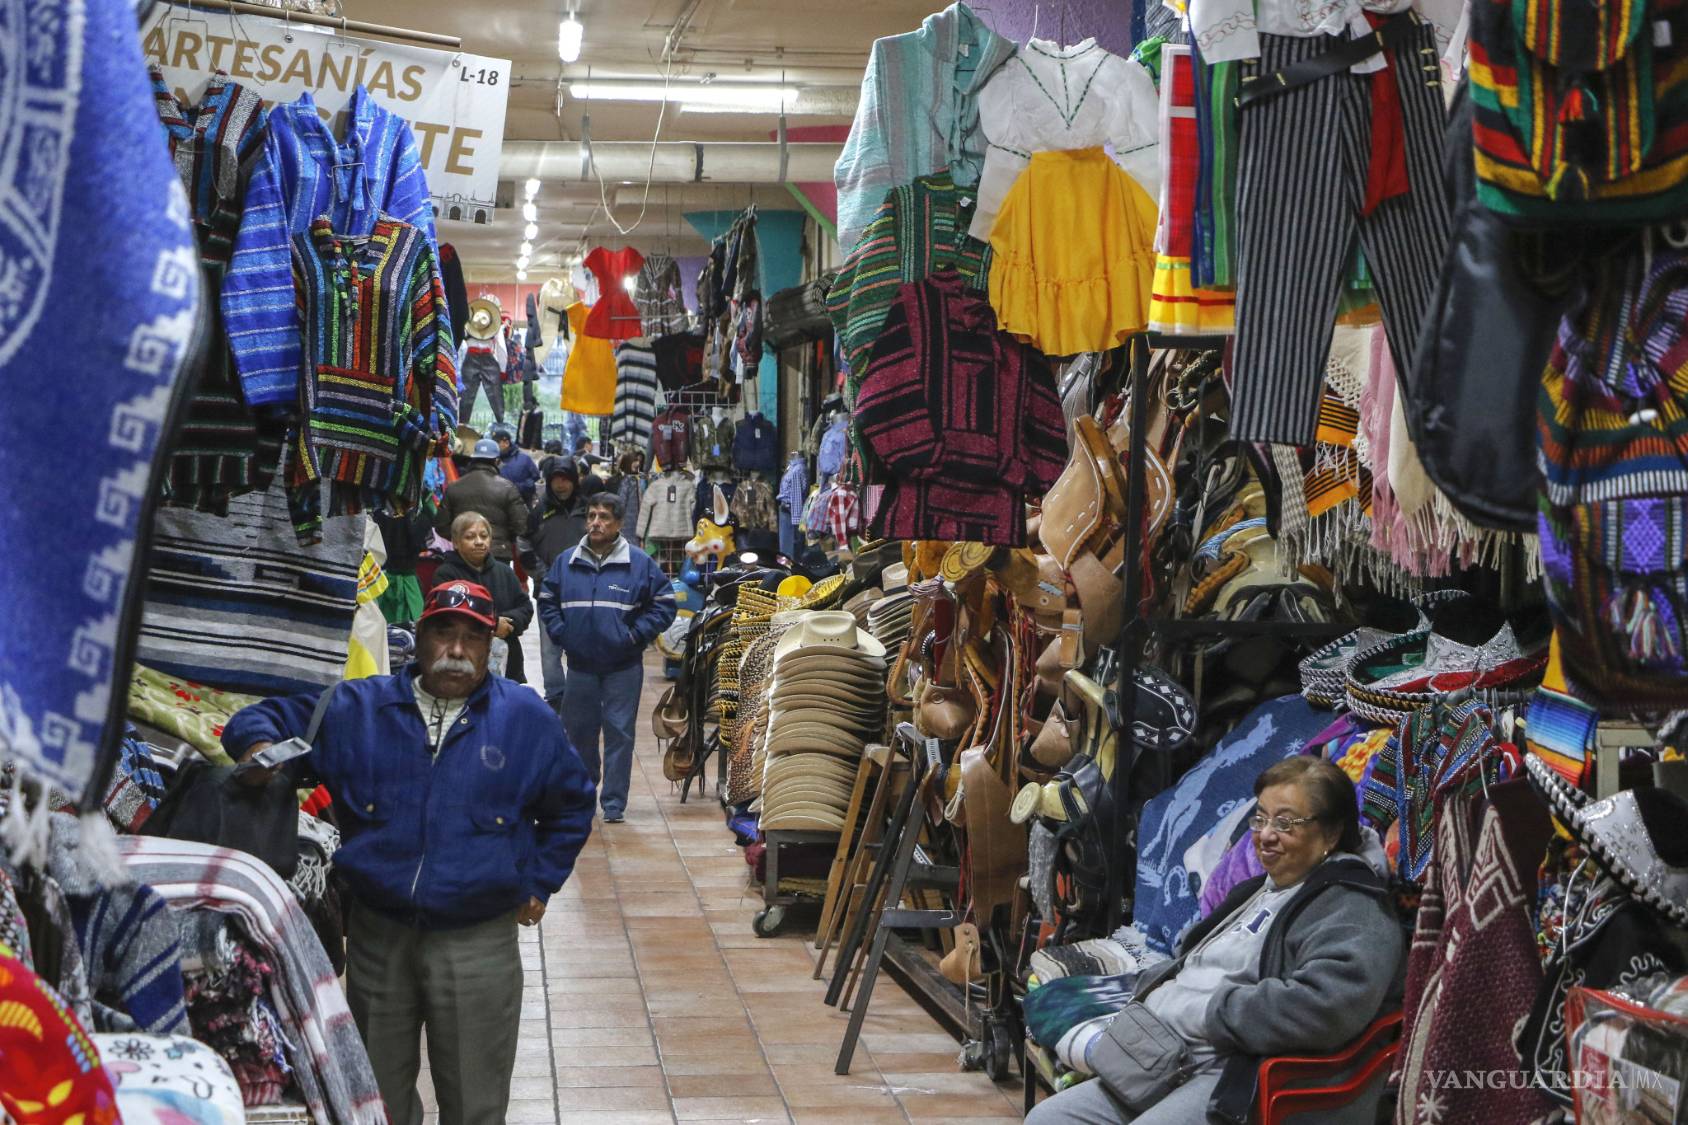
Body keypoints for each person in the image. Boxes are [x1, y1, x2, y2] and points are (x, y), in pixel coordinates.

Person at [222, 580, 595, 1125]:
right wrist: (260, 749)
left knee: (474, 1100)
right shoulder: (357, 707)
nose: (457, 649)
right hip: (378, 935)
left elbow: (572, 804)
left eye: (474, 638)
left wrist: (540, 881)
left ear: (491, 648)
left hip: (477, 940)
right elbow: (256, 720)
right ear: (419, 638)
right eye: (444, 631)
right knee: (376, 1097)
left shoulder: (525, 719)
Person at [1026, 757, 1403, 1125]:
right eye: (1260, 818)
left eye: (1286, 822)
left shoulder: (1353, 906)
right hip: (1176, 1054)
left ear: (1332, 833)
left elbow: (1327, 1007)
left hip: (1239, 1069)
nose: (1266, 835)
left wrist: (1211, 1012)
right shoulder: (1263, 889)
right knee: (1050, 1117)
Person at [538, 493, 676, 822]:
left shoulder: (639, 563)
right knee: (579, 733)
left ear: (618, 524)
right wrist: (562, 633)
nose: (596, 522)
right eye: (592, 515)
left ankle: (613, 803)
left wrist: (633, 635)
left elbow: (665, 603)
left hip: (622, 667)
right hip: (581, 668)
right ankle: (585, 794)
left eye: (604, 517)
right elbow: (546, 599)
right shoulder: (567, 561)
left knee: (619, 733)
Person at [521, 459, 592, 715]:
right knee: (550, 649)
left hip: (584, 592)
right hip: (548, 592)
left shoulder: (588, 511)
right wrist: (544, 574)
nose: (561, 485)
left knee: (581, 644)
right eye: (556, 479)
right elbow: (524, 544)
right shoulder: (539, 512)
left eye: (566, 479)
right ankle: (556, 697)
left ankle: (580, 693)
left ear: (574, 480)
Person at [432, 512, 532, 684]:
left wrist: (508, 625)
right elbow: (450, 616)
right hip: (463, 661)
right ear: (456, 542)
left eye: (484, 536)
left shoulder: (504, 572)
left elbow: (525, 607)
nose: (479, 542)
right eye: (470, 537)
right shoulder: (446, 575)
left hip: (508, 662)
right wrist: (493, 624)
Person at [435, 438, 527, 564]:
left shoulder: (454, 487)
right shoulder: (507, 488)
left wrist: (463, 539)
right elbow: (522, 525)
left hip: (463, 556)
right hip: (498, 555)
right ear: (497, 461)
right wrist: (503, 539)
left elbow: (441, 525)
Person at [493, 427, 540, 505]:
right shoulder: (492, 460)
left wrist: (517, 487)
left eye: (496, 443)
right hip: (499, 505)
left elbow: (536, 480)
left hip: (522, 505)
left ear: (506, 443)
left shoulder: (524, 459)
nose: (494, 446)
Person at [612, 450, 647, 548]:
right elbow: (621, 503)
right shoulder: (628, 481)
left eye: (639, 461)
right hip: (628, 525)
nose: (638, 463)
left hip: (637, 524)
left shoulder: (637, 479)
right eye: (634, 460)